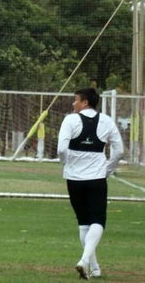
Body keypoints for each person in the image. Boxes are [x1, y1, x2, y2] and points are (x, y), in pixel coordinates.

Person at [57, 87, 123, 280]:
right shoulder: (107, 121)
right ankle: (87, 262)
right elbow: (119, 151)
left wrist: (67, 163)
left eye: (75, 100)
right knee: (98, 221)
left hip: (73, 180)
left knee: (84, 222)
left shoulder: (70, 120)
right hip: (96, 179)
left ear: (85, 102)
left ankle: (93, 267)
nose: (73, 103)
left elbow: (61, 149)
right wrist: (107, 169)